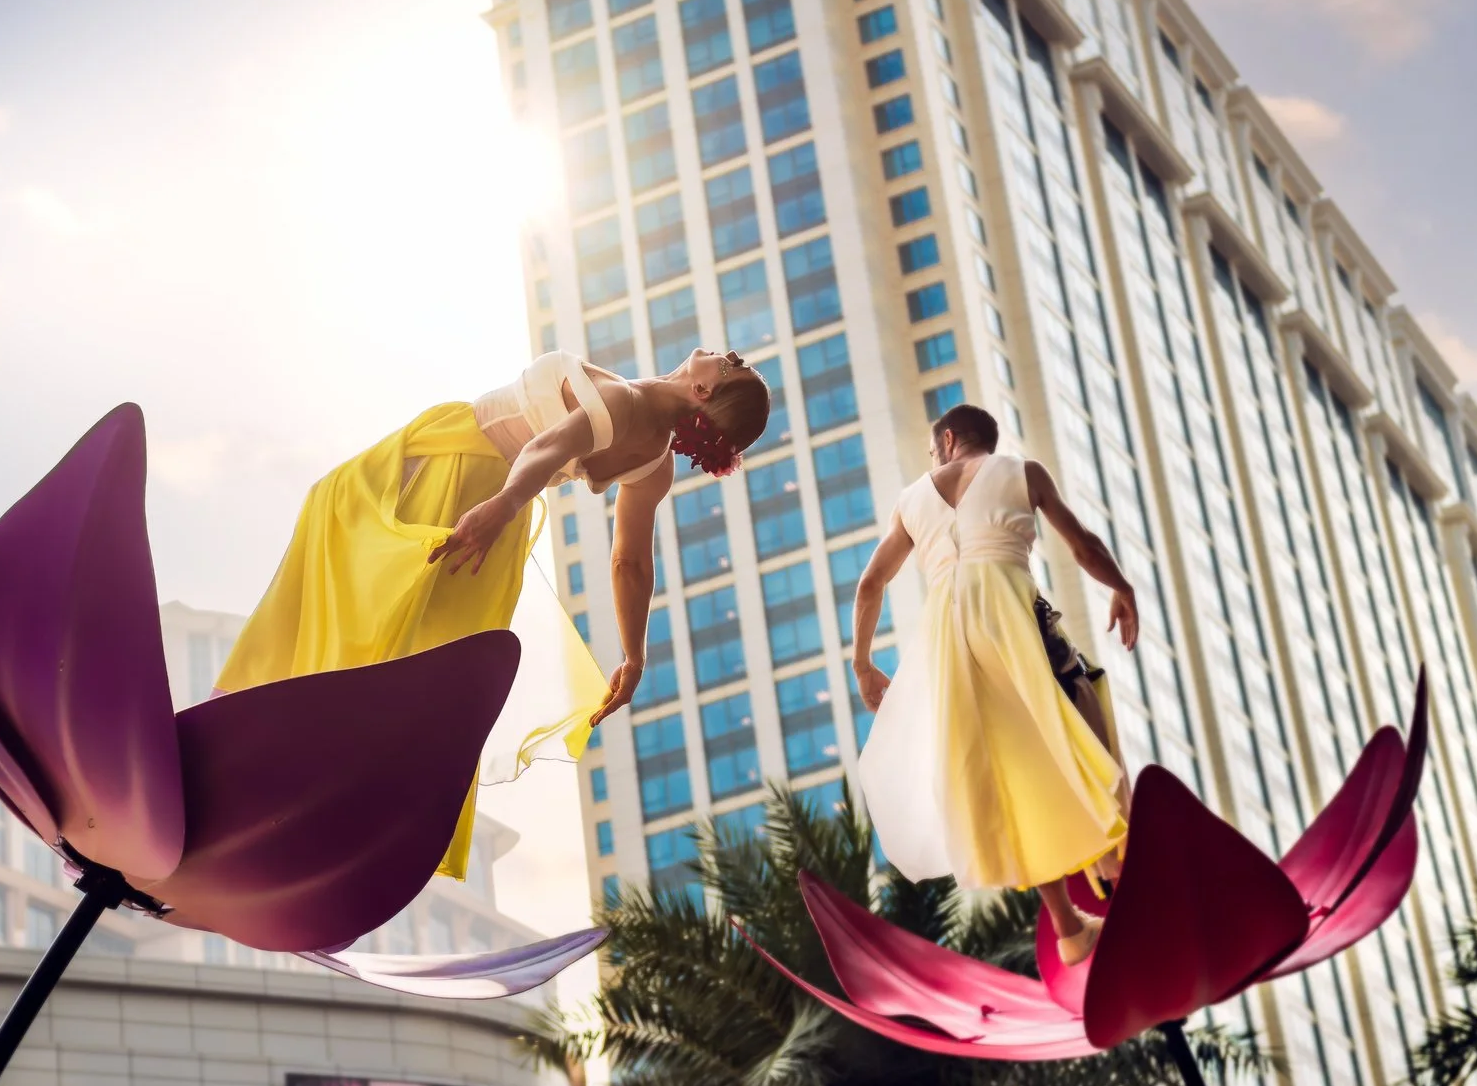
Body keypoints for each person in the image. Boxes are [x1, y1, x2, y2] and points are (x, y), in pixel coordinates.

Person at [215, 347, 771, 880]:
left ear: (703, 390)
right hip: (494, 528)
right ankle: (315, 814)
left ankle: (249, 761)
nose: (728, 355)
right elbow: (630, 561)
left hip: (459, 474)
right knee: (395, 661)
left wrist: (502, 505)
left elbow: (544, 449)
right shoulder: (654, 465)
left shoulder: (623, 402)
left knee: (338, 551)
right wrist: (634, 655)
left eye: (733, 366)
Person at [850, 404, 1137, 964]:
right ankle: (1116, 863)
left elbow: (870, 584)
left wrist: (863, 664)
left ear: (948, 439)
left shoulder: (911, 501)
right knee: (1081, 704)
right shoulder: (1022, 471)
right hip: (1010, 620)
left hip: (949, 644)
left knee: (1007, 771)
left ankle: (1069, 927)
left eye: (933, 451)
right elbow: (1082, 545)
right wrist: (1121, 587)